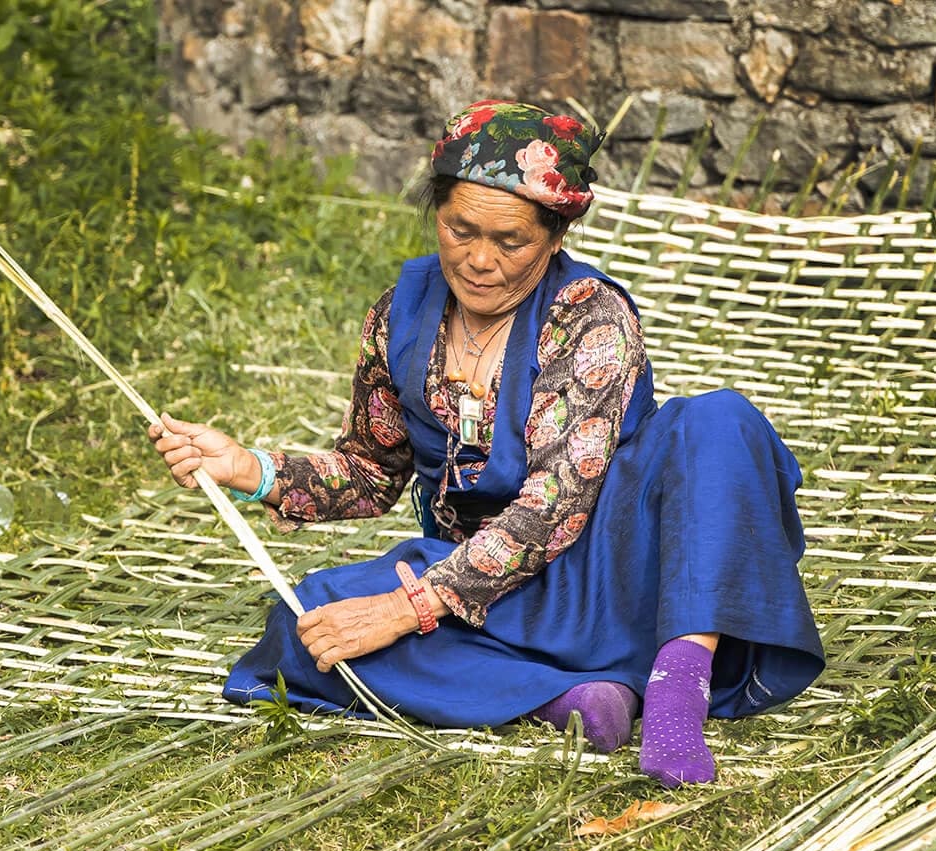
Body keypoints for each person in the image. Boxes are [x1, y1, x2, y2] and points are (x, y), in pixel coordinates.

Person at [149, 99, 825, 787]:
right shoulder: (399, 317)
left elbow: (554, 507)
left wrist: (406, 610)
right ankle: (568, 699)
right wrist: (251, 468)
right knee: (311, 620)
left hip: (617, 575)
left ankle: (677, 688)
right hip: (488, 591)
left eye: (510, 241)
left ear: (556, 235)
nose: (478, 260)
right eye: (459, 229)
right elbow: (371, 470)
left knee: (717, 422)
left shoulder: (589, 318)